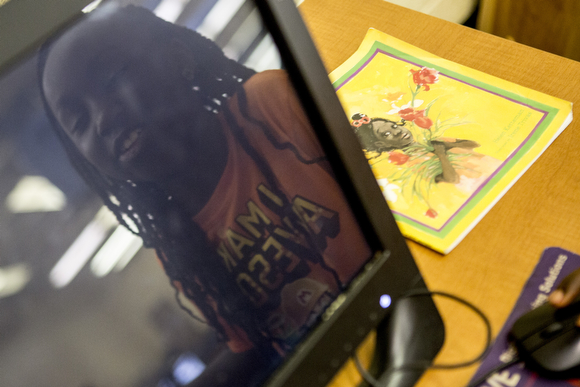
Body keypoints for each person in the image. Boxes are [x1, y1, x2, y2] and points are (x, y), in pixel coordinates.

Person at [38, 5, 371, 386]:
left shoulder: (270, 103)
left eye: (112, 77)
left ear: (178, 59)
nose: (102, 118)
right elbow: (253, 343)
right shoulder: (177, 245)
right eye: (79, 121)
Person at [351, 113, 485, 184]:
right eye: (386, 134)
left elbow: (475, 145)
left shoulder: (433, 142)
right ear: (382, 145)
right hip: (477, 183)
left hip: (490, 166)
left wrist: (450, 144)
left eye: (393, 126)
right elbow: (452, 180)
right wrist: (441, 155)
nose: (396, 131)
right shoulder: (415, 161)